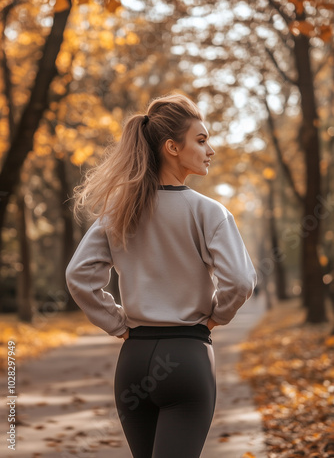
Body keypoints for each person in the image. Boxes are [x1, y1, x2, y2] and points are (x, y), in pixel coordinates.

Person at [66, 93, 257, 458]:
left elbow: (79, 275)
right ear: (172, 146)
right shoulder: (209, 212)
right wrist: (216, 317)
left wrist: (118, 324)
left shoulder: (119, 212)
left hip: (133, 361)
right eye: (201, 140)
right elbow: (242, 281)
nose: (210, 150)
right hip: (188, 359)